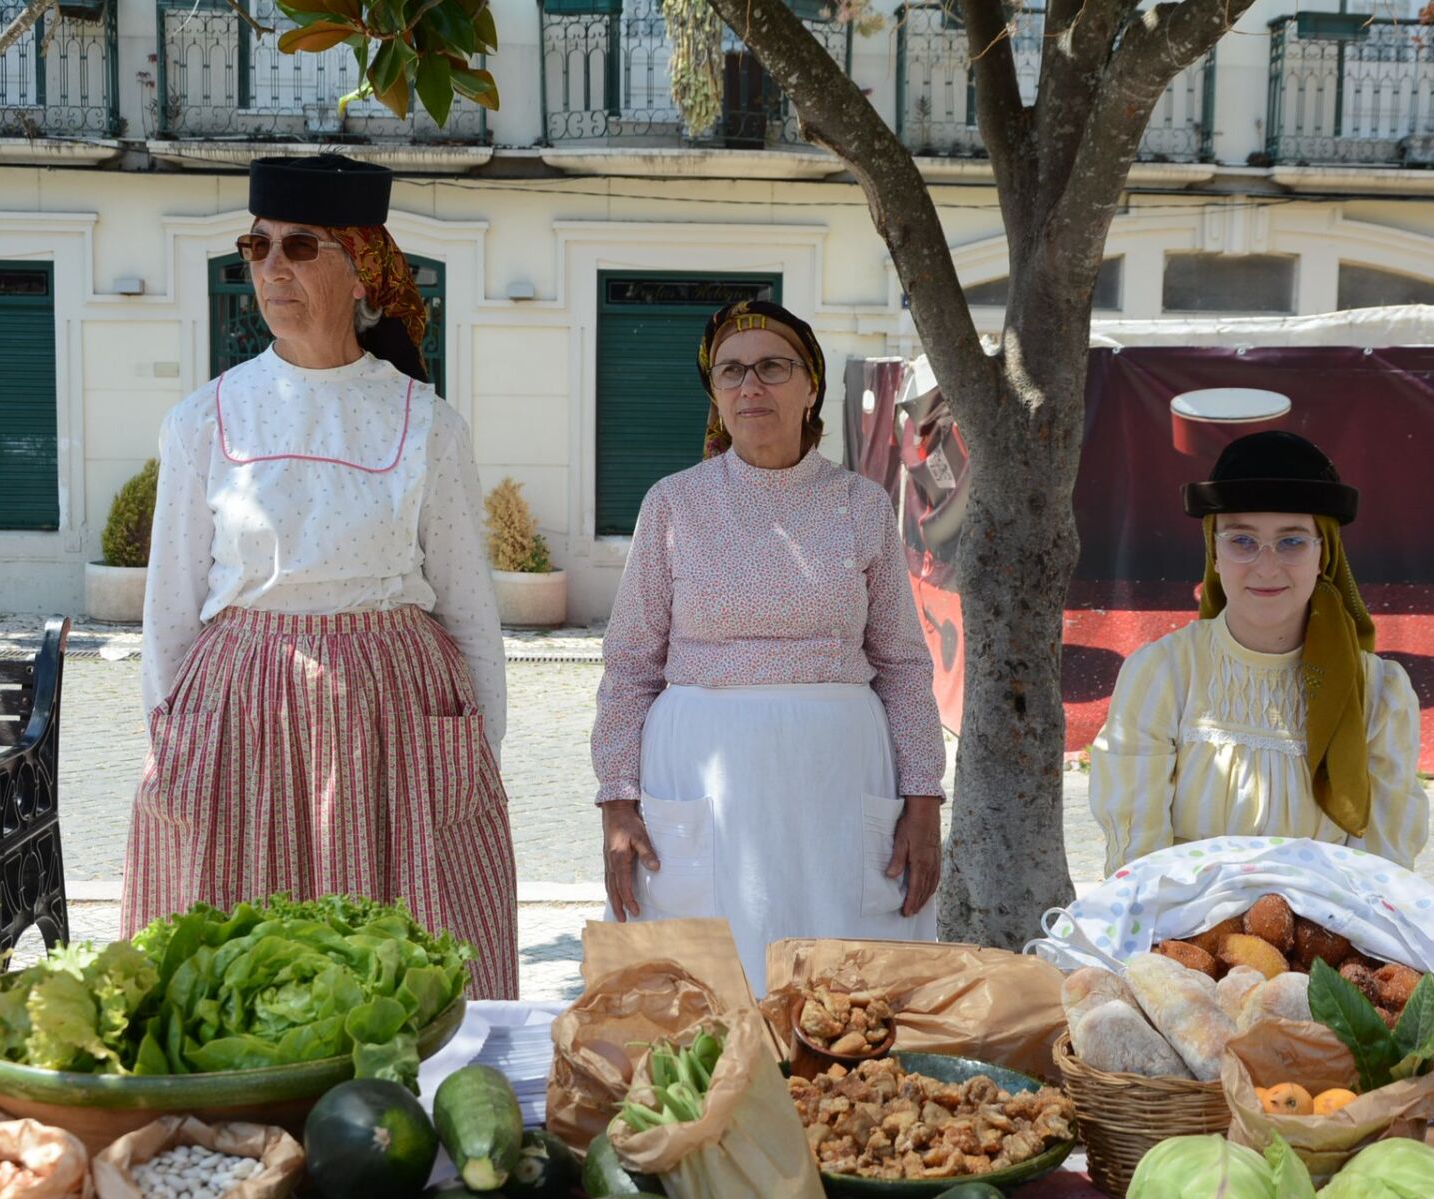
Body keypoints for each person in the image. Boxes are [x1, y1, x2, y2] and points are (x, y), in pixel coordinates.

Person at [124, 154, 517, 998]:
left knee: (397, 970)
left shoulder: (428, 424)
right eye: (257, 245)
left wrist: (475, 759)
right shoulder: (202, 419)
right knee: (242, 968)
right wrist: (170, 746)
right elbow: (170, 612)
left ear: (360, 266)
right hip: (242, 717)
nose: (271, 267)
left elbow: (469, 610)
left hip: (392, 720)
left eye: (299, 246)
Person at [590, 299, 946, 989]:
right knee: (710, 993)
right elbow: (630, 666)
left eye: (772, 367)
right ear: (716, 394)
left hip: (840, 780)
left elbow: (903, 665)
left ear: (811, 385)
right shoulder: (672, 504)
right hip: (700, 777)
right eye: (731, 371)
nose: (750, 386)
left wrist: (924, 802)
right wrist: (619, 803)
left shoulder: (861, 505)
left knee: (843, 993)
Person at [1090, 430, 1429, 871]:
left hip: (1328, 910)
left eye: (1292, 541)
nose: (1266, 567)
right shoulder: (1163, 673)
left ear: (1323, 555)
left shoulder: (1380, 692)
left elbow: (1382, 867)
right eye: (1242, 541)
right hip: (1182, 910)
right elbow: (1139, 859)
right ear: (1214, 553)